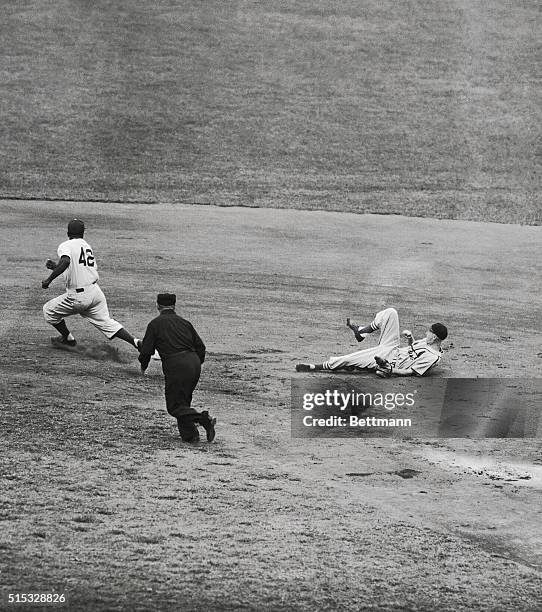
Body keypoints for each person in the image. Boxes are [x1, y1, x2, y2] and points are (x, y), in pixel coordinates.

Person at [42, 219, 141, 351]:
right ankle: (135, 342)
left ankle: (68, 338)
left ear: (67, 233)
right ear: (83, 233)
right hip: (95, 293)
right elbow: (76, 268)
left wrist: (49, 279)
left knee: (49, 310)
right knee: (107, 322)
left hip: (79, 297)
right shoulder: (86, 246)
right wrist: (55, 266)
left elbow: (65, 261)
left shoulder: (66, 245)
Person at [138, 293, 216, 443]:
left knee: (174, 406)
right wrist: (195, 365)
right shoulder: (185, 323)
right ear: (174, 305)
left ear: (158, 306)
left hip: (176, 364)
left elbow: (146, 350)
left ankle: (203, 419)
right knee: (183, 401)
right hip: (193, 362)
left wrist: (143, 365)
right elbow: (201, 347)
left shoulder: (155, 324)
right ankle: (190, 436)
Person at [295, 307, 448, 377]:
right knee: (391, 313)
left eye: (429, 331)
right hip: (393, 349)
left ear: (434, 337)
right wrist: (410, 339)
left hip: (390, 361)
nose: (427, 333)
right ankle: (362, 332)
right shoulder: (428, 343)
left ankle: (317, 366)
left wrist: (390, 370)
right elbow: (412, 351)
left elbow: (411, 371)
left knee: (352, 358)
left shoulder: (432, 357)